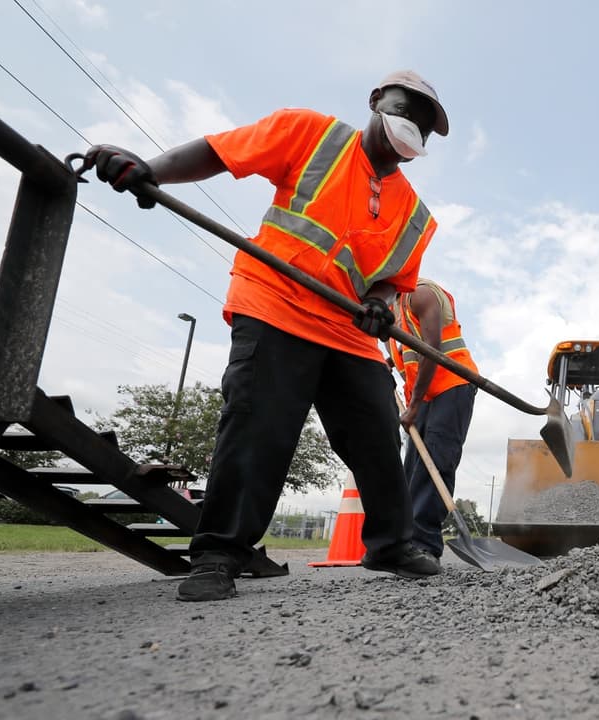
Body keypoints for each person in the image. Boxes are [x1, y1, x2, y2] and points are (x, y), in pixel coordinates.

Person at [84, 70, 451, 601]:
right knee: (260, 428)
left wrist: (377, 305)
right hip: (275, 302)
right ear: (375, 101)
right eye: (405, 109)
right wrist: (151, 171)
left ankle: (391, 543)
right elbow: (221, 151)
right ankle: (219, 553)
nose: (411, 126)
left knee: (374, 432)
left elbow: (393, 284)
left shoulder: (415, 215)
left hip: (346, 331)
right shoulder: (312, 135)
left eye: (423, 126)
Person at [386, 278, 479, 570]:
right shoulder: (391, 314)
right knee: (413, 468)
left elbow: (431, 347)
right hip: (423, 395)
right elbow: (406, 356)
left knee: (436, 461)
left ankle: (425, 545)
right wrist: (389, 363)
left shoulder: (421, 294)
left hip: (453, 385)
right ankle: (407, 544)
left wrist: (413, 406)